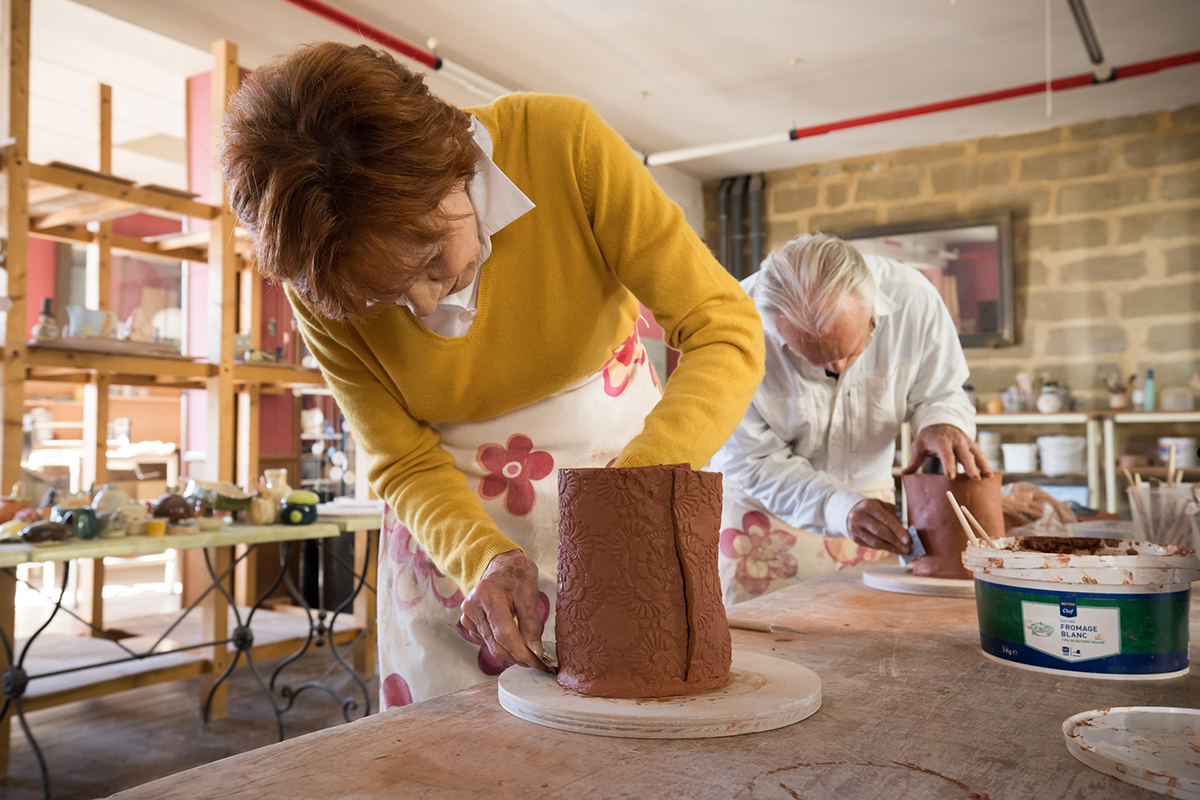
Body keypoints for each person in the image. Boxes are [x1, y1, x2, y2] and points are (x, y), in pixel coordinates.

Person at [219, 42, 764, 707]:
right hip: (453, 531)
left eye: (428, 260)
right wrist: (485, 559)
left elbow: (723, 330)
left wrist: (630, 502)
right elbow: (402, 460)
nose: (423, 307)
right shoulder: (322, 273)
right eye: (383, 298)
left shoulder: (562, 146)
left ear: (451, 165)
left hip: (623, 466)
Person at [710, 234, 988, 605]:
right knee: (763, 647)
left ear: (873, 306)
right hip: (763, 511)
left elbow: (941, 392)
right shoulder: (733, 328)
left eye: (852, 350)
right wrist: (837, 507)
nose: (837, 368)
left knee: (872, 638)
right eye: (812, 358)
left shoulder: (914, 300)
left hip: (871, 506)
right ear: (776, 326)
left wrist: (941, 420)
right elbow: (750, 458)